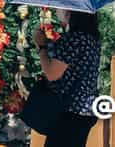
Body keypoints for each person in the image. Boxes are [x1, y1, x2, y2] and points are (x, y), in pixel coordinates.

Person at [34, 9, 102, 147]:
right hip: (86, 110)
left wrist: (41, 47)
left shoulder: (75, 39)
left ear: (75, 14)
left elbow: (52, 73)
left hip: (70, 111)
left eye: (67, 11)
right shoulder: (92, 40)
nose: (63, 13)